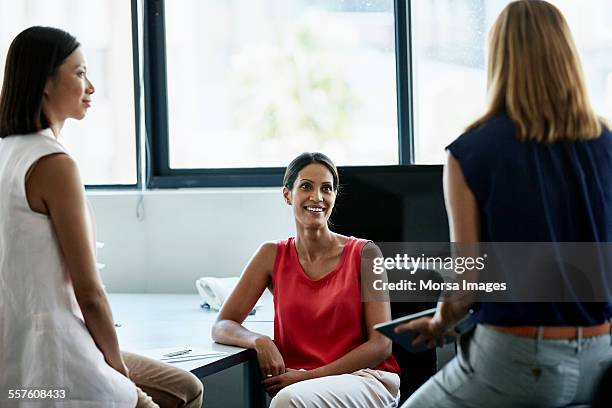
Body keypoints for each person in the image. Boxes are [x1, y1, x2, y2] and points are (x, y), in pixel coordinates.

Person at [397, 1, 612, 407]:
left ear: (500, 60)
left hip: (518, 361)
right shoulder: (607, 142)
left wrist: (440, 322)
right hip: (603, 362)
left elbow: (467, 284)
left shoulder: (471, 151)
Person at [0, 26, 203, 407]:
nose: (90, 86)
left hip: (15, 359)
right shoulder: (53, 164)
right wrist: (115, 366)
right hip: (56, 362)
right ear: (45, 82)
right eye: (79, 73)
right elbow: (89, 293)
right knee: (169, 395)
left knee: (186, 388)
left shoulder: (7, 153)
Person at [212, 152, 401, 407]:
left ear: (335, 196)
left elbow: (382, 345)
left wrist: (309, 377)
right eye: (306, 187)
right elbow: (223, 324)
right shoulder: (271, 255)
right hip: (304, 387)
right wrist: (260, 340)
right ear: (287, 195)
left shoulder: (366, 253)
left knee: (286, 401)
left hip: (365, 380)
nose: (317, 197)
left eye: (327, 189)